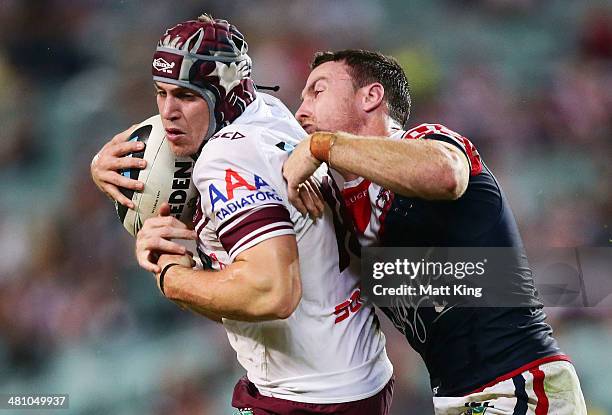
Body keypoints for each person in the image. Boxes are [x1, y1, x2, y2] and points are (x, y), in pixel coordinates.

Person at [92, 18, 394, 414]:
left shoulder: (226, 157)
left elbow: (272, 292)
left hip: (307, 399)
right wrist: (102, 165)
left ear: (223, 92)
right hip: (353, 379)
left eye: (185, 95)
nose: (168, 114)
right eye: (160, 93)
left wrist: (172, 277)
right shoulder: (267, 109)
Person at [282, 49, 587, 414]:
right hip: (457, 399)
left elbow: (446, 176)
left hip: (515, 386)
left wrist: (324, 146)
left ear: (371, 96)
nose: (301, 110)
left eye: (317, 91)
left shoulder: (425, 141)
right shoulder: (340, 210)